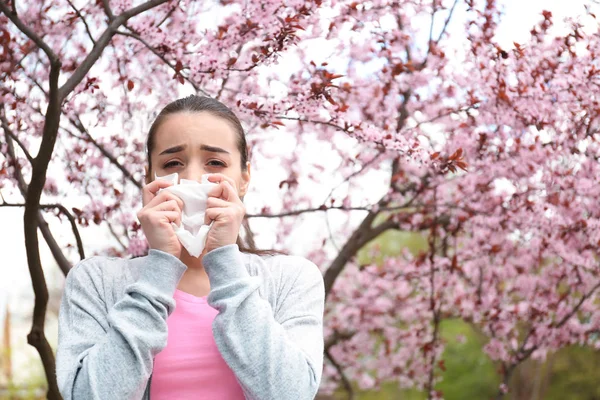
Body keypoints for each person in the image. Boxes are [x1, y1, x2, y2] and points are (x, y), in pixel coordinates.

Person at [55, 95, 325, 400]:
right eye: (172, 163)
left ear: (244, 178)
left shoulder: (290, 279)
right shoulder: (97, 281)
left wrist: (224, 259)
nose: (193, 178)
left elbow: (290, 394)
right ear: (150, 177)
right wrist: (160, 267)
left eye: (215, 163)